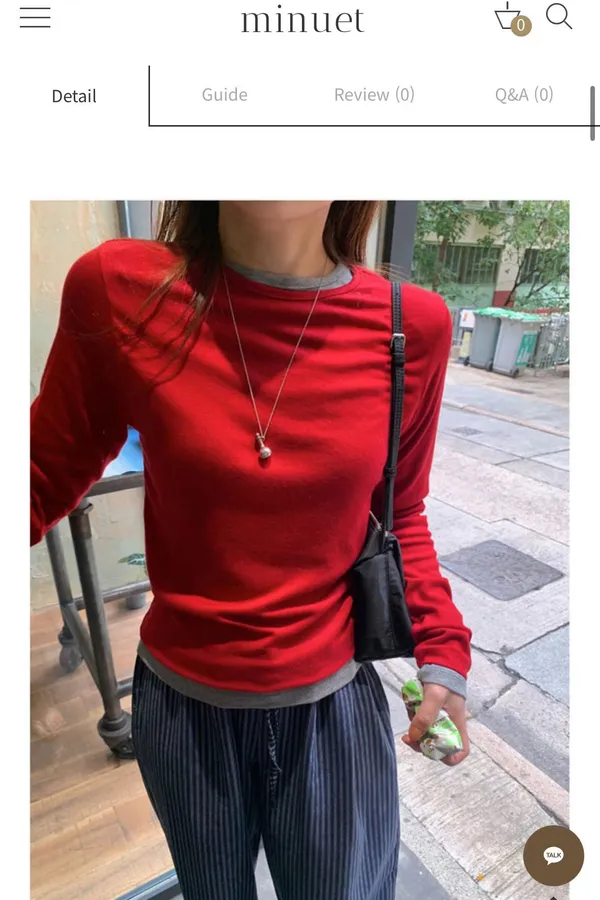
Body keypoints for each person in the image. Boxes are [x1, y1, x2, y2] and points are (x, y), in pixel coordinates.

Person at [30, 200, 472, 900]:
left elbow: (400, 511)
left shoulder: (410, 326)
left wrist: (442, 645)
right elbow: (39, 475)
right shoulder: (120, 290)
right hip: (183, 709)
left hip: (332, 711)